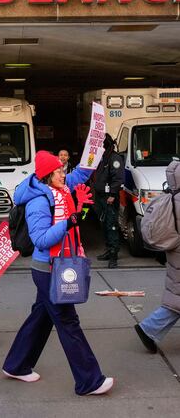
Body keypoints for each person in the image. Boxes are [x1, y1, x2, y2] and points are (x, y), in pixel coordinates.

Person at [2, 150, 114, 396]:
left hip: (59, 265)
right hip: (49, 269)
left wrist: (94, 148)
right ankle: (90, 381)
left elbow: (82, 174)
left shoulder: (59, 189)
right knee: (68, 322)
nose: (64, 174)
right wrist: (69, 222)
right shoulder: (39, 201)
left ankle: (16, 365)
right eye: (59, 171)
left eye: (63, 170)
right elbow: (40, 239)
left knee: (41, 317)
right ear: (46, 176)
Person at [135, 160, 180, 354]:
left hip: (174, 252)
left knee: (177, 297)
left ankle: (149, 329)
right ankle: (148, 328)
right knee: (176, 301)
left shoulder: (170, 196)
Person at [94, 134, 125, 268]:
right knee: (104, 225)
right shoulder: (102, 158)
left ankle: (113, 255)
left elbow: (118, 178)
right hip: (100, 196)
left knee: (111, 226)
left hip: (109, 197)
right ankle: (108, 250)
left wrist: (113, 194)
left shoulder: (114, 158)